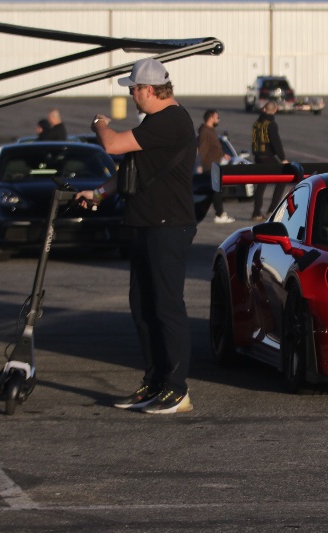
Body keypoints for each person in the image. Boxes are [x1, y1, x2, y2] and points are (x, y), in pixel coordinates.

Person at [74, 58, 197, 415]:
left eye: (132, 90)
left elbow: (111, 145)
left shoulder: (172, 121)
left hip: (168, 226)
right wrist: (97, 194)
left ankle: (176, 389)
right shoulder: (154, 123)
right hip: (146, 224)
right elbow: (129, 171)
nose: (131, 96)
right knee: (143, 308)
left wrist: (100, 124)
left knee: (167, 308)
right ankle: (155, 383)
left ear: (149, 89)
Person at [250, 100, 289, 222]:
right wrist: (283, 158)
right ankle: (272, 210)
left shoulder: (256, 123)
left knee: (261, 185)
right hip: (268, 157)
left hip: (258, 157)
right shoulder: (270, 124)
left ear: (264, 109)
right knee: (282, 179)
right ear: (275, 110)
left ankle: (256, 212)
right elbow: (275, 142)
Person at [197, 108, 234, 224]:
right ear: (211, 118)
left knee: (214, 190)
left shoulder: (210, 131)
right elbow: (202, 149)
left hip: (214, 165)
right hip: (209, 166)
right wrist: (200, 165)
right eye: (217, 117)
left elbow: (214, 146)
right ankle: (219, 214)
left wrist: (223, 154)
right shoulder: (205, 131)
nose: (219, 119)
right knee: (215, 190)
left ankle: (219, 213)